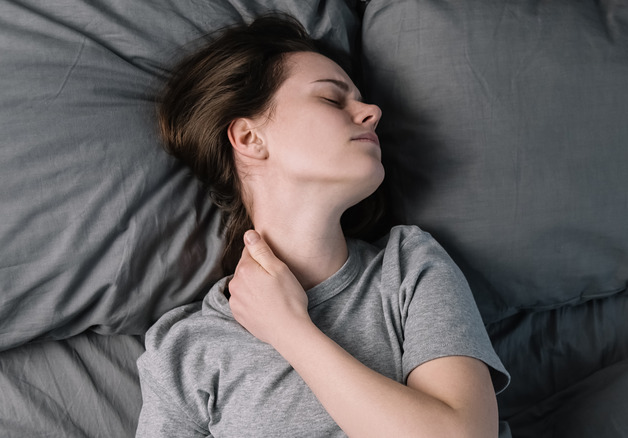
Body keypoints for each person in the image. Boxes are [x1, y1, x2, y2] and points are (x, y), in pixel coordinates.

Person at [136, 12, 509, 437]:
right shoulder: (184, 351)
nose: (372, 111)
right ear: (249, 138)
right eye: (333, 99)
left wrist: (289, 329)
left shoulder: (408, 268)